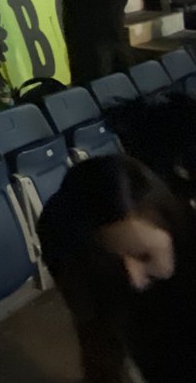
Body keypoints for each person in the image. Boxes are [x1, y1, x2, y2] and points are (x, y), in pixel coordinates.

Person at [38, 155, 196, 383]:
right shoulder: (91, 274)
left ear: (174, 229)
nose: (133, 279)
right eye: (111, 261)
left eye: (144, 256)